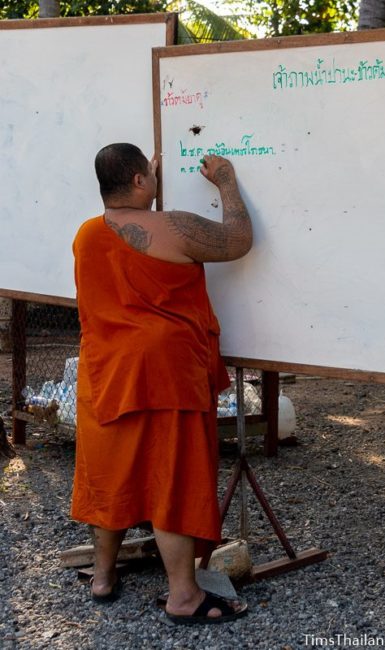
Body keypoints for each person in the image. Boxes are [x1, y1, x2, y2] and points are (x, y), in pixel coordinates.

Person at [71, 143, 253, 625]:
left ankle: (103, 577)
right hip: (166, 373)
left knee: (112, 475)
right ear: (137, 181)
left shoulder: (87, 235)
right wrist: (227, 181)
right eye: (147, 176)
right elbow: (237, 240)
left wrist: (145, 187)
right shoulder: (174, 227)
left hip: (107, 375)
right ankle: (184, 597)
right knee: (170, 480)